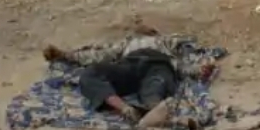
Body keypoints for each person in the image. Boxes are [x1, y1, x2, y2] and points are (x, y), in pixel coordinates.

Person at [43, 31, 198, 127]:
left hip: (157, 66)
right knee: (90, 74)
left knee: (154, 88)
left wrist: (199, 70)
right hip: (128, 67)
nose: (141, 25)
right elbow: (97, 56)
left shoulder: (166, 41)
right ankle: (126, 109)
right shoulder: (126, 43)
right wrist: (65, 55)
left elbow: (183, 64)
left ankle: (156, 116)